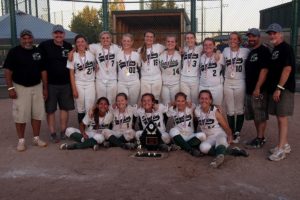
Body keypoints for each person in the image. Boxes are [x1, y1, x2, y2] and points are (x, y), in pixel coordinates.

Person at [4, 29, 47, 151]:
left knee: (37, 114)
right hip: (20, 87)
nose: (27, 41)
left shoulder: (38, 51)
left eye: (29, 38)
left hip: (37, 86)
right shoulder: (14, 52)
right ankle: (21, 141)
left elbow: (43, 70)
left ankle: (36, 139)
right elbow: (8, 71)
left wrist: (45, 88)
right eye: (24, 38)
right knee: (20, 115)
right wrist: (10, 88)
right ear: (20, 39)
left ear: (32, 38)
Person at [39, 24, 74, 143]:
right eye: (56, 33)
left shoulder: (68, 46)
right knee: (50, 110)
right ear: (52, 34)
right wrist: (44, 85)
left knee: (65, 108)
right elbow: (40, 65)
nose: (58, 35)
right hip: (50, 84)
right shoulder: (44, 46)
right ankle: (52, 133)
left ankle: (63, 132)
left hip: (66, 83)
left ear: (64, 34)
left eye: (61, 33)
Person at [195, 90, 248, 168]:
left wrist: (230, 136)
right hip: (209, 137)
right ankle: (232, 151)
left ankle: (217, 159)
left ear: (210, 100)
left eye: (206, 99)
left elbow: (225, 126)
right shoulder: (197, 110)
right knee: (203, 148)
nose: (204, 100)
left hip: (219, 134)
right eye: (202, 98)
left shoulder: (215, 111)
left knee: (221, 142)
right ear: (199, 100)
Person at [266, 23, 296, 161]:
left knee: (282, 118)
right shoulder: (275, 49)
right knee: (279, 117)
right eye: (270, 33)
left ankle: (281, 149)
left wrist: (279, 88)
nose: (272, 35)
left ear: (281, 34)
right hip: (276, 89)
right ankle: (284, 144)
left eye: (275, 33)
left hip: (283, 89)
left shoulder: (286, 48)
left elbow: (287, 69)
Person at [244, 28, 270, 148]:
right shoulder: (251, 51)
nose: (251, 39)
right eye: (249, 37)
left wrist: (258, 87)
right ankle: (259, 137)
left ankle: (261, 138)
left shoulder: (263, 50)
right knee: (255, 115)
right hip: (250, 89)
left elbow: (264, 70)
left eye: (253, 36)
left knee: (260, 115)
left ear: (259, 37)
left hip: (258, 89)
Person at [222, 32, 250, 143]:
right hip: (228, 81)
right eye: (230, 39)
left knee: (239, 109)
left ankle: (237, 132)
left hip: (240, 81)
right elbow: (218, 54)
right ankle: (231, 132)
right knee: (230, 109)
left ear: (239, 40)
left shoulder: (245, 51)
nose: (232, 41)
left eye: (235, 39)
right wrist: (217, 51)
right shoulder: (225, 51)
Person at [67, 34, 97, 125]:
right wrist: (74, 89)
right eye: (78, 42)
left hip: (90, 83)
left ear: (86, 43)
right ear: (75, 44)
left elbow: (99, 60)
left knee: (90, 106)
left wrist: (97, 66)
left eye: (82, 41)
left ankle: (89, 127)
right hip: (78, 83)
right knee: (80, 108)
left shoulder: (92, 54)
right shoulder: (72, 56)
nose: (80, 44)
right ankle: (82, 129)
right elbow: (71, 74)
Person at [168, 92, 206, 157]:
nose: (180, 103)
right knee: (172, 130)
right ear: (175, 102)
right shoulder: (172, 110)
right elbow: (165, 109)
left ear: (185, 101)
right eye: (178, 101)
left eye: (183, 101)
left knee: (203, 135)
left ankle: (181, 147)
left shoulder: (191, 107)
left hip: (190, 136)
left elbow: (196, 106)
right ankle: (190, 150)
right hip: (179, 136)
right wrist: (171, 104)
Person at [89, 31, 121, 104]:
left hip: (112, 79)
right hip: (100, 79)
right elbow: (83, 46)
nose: (105, 40)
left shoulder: (116, 48)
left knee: (112, 101)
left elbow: (127, 50)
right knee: (101, 101)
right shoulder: (96, 47)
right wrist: (94, 62)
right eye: (103, 38)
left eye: (107, 38)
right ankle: (101, 115)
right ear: (100, 39)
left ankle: (111, 115)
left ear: (111, 39)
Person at [138, 31, 165, 101]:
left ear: (154, 39)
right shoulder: (140, 50)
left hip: (157, 78)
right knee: (145, 98)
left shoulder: (159, 47)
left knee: (156, 98)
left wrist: (179, 49)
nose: (149, 38)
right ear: (144, 38)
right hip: (145, 78)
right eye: (147, 36)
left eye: (151, 37)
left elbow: (170, 47)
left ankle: (156, 112)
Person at [116, 33, 141, 106]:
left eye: (128, 41)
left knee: (133, 104)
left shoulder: (137, 55)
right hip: (122, 83)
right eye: (124, 41)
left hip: (134, 82)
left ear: (132, 42)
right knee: (122, 104)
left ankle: (133, 117)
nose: (126, 43)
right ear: (122, 41)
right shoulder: (118, 54)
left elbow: (140, 68)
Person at [199, 38, 224, 106]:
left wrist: (218, 51)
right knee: (203, 107)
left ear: (214, 46)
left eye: (210, 45)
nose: (208, 46)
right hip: (203, 86)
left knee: (217, 107)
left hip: (216, 86)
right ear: (203, 46)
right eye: (205, 45)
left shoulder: (219, 56)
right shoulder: (201, 57)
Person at [181, 32, 202, 104]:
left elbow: (212, 47)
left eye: (191, 38)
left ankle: (195, 115)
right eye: (187, 38)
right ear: (185, 40)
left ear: (195, 39)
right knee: (186, 101)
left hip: (195, 79)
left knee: (195, 102)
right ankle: (188, 115)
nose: (189, 40)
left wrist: (217, 51)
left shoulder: (199, 48)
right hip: (183, 79)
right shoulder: (184, 49)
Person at [159, 35, 181, 105]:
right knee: (166, 104)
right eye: (168, 41)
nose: (170, 43)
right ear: (165, 42)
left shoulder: (180, 54)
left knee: (176, 104)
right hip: (164, 84)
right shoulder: (161, 55)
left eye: (172, 42)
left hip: (176, 84)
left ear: (175, 43)